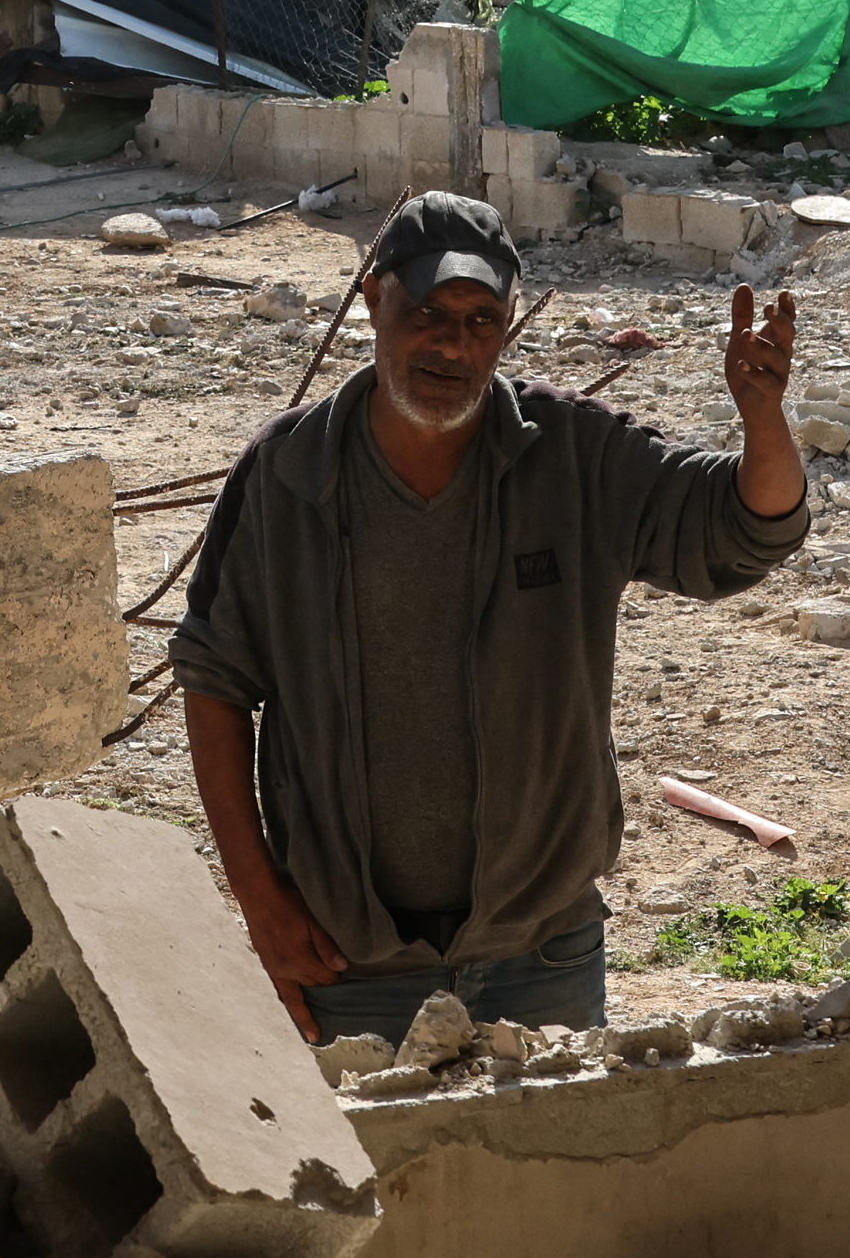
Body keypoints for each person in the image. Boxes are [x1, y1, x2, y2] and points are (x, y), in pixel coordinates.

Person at [169, 189, 811, 1045]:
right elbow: (214, 680)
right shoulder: (289, 472)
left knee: (554, 1174)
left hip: (539, 950)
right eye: (427, 312)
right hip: (345, 958)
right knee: (360, 1179)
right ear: (372, 299)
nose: (452, 342)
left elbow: (742, 528)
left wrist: (763, 419)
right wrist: (259, 900)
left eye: (480, 319)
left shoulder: (573, 456)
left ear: (508, 324)